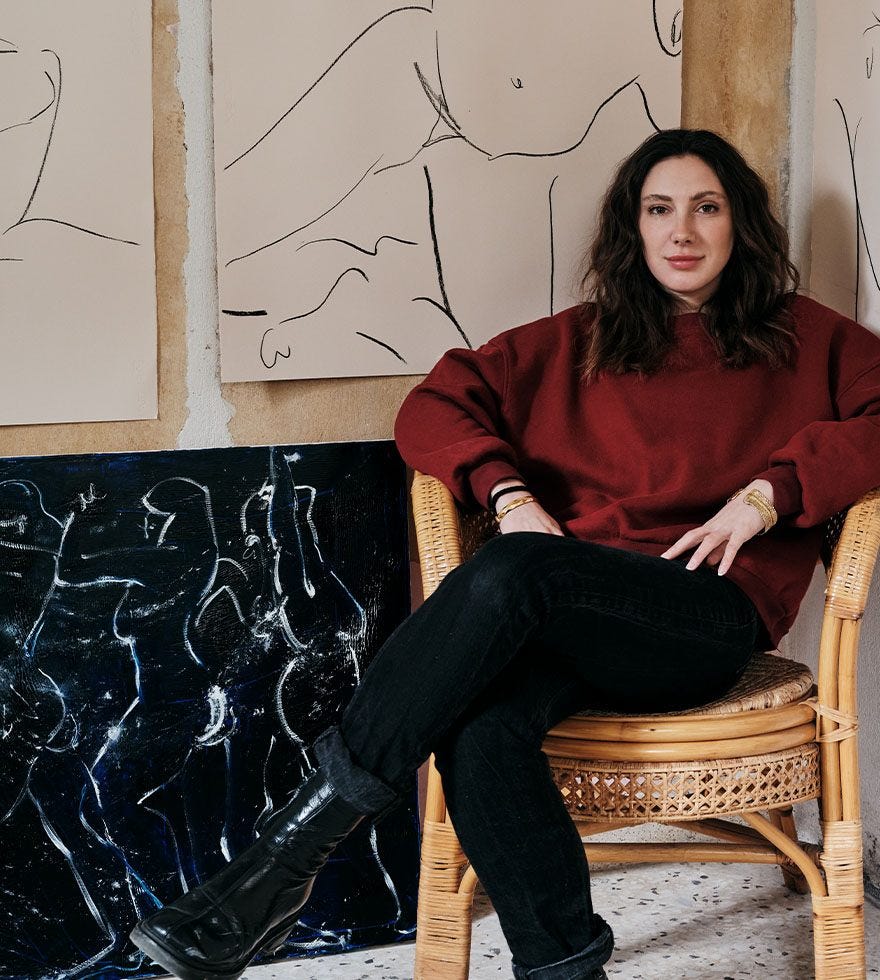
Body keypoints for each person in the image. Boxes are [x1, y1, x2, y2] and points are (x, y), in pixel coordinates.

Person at [130, 129, 880, 980]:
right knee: (482, 731)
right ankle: (563, 968)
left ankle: (280, 865)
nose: (683, 232)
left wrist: (770, 494)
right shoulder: (575, 343)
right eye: (659, 209)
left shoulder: (807, 339)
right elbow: (433, 406)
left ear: (739, 224)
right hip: (566, 612)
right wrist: (508, 494)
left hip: (700, 613)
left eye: (707, 208)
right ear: (631, 229)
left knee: (518, 569)